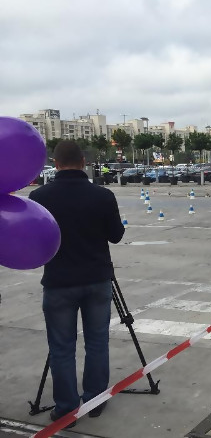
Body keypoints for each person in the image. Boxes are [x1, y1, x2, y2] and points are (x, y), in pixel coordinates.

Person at [29, 141, 125, 425]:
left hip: (59, 281)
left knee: (61, 348)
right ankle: (94, 401)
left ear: (56, 164)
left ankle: (67, 409)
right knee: (97, 342)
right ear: (83, 162)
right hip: (97, 280)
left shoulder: (39, 196)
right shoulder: (103, 195)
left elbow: (35, 241)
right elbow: (116, 236)